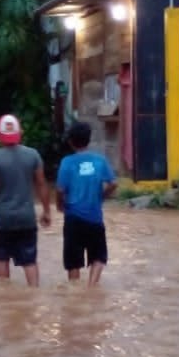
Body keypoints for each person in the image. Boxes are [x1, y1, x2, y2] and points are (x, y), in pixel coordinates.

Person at [0, 114, 50, 286]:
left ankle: (4, 299)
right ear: (21, 132)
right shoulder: (33, 155)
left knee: (2, 259)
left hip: (3, 218)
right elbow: (41, 184)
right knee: (29, 261)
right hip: (27, 217)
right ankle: (34, 296)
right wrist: (46, 211)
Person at [55, 121, 117, 285]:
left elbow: (60, 190)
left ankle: (75, 292)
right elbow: (113, 184)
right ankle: (91, 287)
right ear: (89, 140)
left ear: (70, 141)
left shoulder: (67, 163)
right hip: (94, 218)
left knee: (73, 261)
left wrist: (59, 205)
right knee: (98, 257)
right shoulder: (100, 161)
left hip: (73, 219)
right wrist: (102, 197)